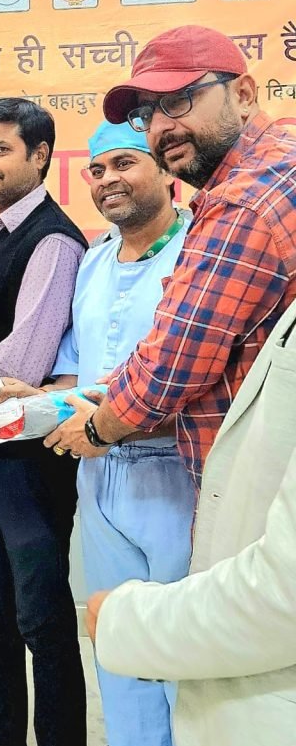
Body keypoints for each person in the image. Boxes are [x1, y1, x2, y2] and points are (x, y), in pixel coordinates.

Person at [0, 121, 194, 746]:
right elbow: (74, 373)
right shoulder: (93, 260)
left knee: (182, 648)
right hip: (99, 474)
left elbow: (195, 375)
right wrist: (36, 399)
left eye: (124, 163)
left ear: (166, 170)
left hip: (180, 476)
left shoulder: (198, 253)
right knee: (116, 640)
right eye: (98, 169)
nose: (108, 179)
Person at [49, 25, 296, 483]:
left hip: (255, 482)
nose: (161, 127)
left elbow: (174, 364)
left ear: (243, 95)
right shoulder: (275, 162)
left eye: (179, 100)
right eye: (148, 113)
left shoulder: (245, 201)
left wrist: (98, 429)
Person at [86, 296, 296, 746]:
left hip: (171, 478)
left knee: (174, 675)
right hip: (105, 468)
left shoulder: (238, 252)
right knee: (132, 698)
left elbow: (283, 594)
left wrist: (127, 625)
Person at [0, 97, 88, 746]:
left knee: (42, 622)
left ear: (40, 155)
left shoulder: (52, 240)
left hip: (26, 468)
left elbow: (19, 366)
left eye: (0, 149)